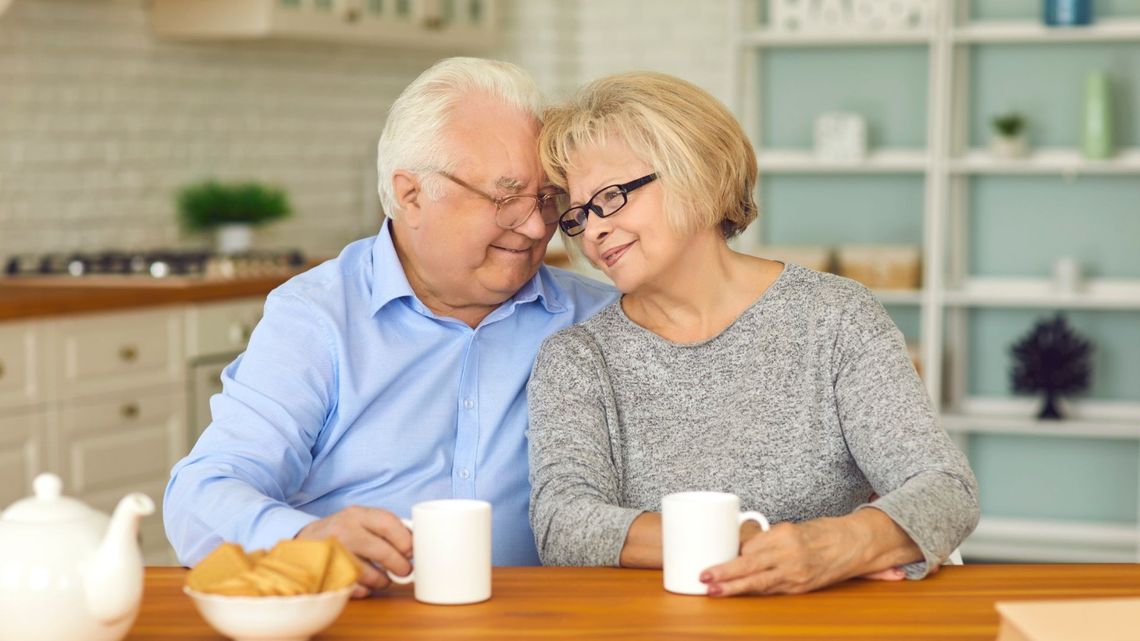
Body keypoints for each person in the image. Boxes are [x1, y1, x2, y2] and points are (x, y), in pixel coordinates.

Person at [164, 58, 616, 596]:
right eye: (506, 197)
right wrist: (305, 538)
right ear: (411, 195)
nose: (538, 225)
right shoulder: (318, 317)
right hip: (365, 615)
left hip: (542, 618)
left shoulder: (599, 317)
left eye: (548, 198)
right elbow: (202, 494)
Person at [527, 71, 979, 596]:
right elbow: (563, 524)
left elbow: (946, 490)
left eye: (610, 197)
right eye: (578, 216)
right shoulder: (579, 358)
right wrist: (732, 541)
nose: (593, 230)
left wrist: (834, 547)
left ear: (699, 175)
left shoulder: (834, 317)